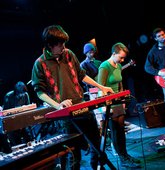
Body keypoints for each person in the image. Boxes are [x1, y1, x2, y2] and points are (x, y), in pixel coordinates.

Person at [31, 25, 114, 170]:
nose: (63, 47)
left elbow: (82, 75)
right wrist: (58, 105)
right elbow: (39, 92)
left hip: (81, 105)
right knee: (73, 153)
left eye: (64, 43)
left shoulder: (69, 54)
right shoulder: (39, 64)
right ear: (50, 44)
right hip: (64, 114)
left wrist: (101, 87)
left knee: (97, 144)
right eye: (60, 44)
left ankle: (96, 167)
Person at [97, 42, 141, 168]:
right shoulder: (104, 66)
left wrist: (122, 102)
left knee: (121, 130)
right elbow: (101, 87)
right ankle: (122, 158)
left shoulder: (118, 65)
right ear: (113, 53)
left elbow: (120, 83)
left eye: (123, 58)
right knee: (115, 131)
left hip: (118, 102)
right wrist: (104, 107)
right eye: (120, 57)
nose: (122, 60)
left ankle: (125, 155)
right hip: (108, 103)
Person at [144, 27, 165, 121]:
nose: (162, 37)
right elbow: (147, 67)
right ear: (155, 39)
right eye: (159, 36)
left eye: (163, 34)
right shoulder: (153, 52)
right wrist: (160, 73)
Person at [2, 81, 32, 151]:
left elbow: (28, 107)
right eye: (20, 93)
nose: (22, 95)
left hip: (23, 119)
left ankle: (30, 147)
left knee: (27, 134)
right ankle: (18, 150)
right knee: (14, 137)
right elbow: (5, 112)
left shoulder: (26, 95)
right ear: (16, 90)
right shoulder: (9, 96)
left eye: (23, 93)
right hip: (12, 120)